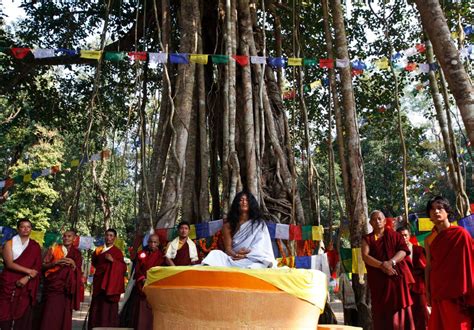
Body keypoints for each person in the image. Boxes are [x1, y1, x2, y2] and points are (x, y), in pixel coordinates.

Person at [424, 196, 473, 330]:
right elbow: (428, 266)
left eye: (440, 208)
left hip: (459, 291)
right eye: (432, 209)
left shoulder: (461, 234)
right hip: (439, 290)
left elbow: (471, 261)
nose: (436, 212)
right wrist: (427, 291)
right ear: (429, 215)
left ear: (447, 212)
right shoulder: (429, 240)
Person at [361, 210, 415, 330]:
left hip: (396, 281)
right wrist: (382, 265)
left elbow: (403, 251)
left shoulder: (394, 235)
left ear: (385, 221)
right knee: (381, 315)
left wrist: (391, 262)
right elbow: (365, 256)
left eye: (380, 218)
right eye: (374, 219)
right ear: (370, 222)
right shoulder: (368, 239)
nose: (377, 221)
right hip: (379, 282)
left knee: (399, 314)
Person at [202, 191, 276, 269]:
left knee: (258, 265)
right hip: (235, 259)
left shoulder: (259, 224)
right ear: (237, 204)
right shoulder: (227, 226)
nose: (244, 202)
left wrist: (246, 255)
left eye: (247, 200)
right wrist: (236, 255)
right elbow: (228, 249)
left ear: (251, 204)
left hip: (253, 260)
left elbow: (261, 248)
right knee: (215, 254)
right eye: (241, 200)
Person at [0, 219, 42, 330]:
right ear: (18, 228)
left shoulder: (35, 246)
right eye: (22, 226)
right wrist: (29, 271)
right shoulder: (9, 244)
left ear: (31, 229)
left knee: (23, 313)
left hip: (26, 283)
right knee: (4, 312)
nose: (25, 229)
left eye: (28, 227)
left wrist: (27, 277)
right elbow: (9, 264)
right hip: (9, 281)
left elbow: (37, 267)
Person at [39, 230, 83, 330]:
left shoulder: (77, 253)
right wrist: (55, 263)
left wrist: (73, 264)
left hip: (67, 289)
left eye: (69, 236)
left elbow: (79, 271)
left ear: (74, 238)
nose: (66, 238)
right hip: (53, 287)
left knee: (64, 314)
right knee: (49, 313)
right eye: (64, 236)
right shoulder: (54, 249)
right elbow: (43, 266)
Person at [88, 228, 126, 330]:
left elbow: (123, 268)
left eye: (111, 236)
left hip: (110, 285)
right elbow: (95, 263)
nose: (108, 238)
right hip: (99, 282)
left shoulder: (117, 252)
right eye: (107, 235)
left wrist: (113, 261)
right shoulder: (98, 250)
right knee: (97, 306)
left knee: (108, 309)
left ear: (115, 238)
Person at [397, 226, 429, 330]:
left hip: (419, 288)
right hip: (402, 289)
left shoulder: (419, 250)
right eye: (401, 236)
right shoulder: (395, 254)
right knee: (406, 318)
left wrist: (428, 289)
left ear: (410, 236)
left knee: (421, 315)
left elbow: (426, 269)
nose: (404, 238)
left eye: (405, 235)